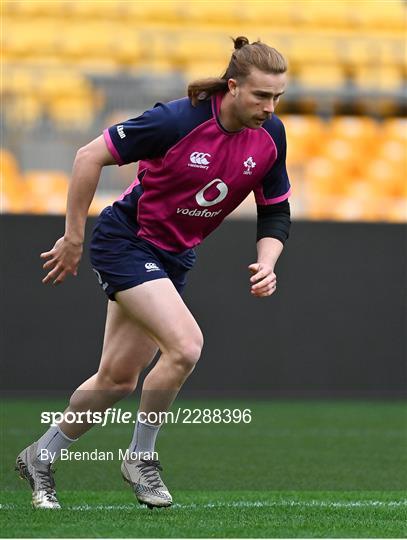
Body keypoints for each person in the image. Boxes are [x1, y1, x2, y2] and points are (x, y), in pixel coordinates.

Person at [15, 36, 291, 509]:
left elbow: (275, 211)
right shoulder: (177, 120)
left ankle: (41, 455)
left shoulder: (271, 137)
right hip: (126, 241)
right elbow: (88, 157)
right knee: (185, 345)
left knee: (117, 380)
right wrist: (74, 237)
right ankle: (140, 457)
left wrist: (267, 261)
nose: (270, 106)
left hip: (174, 257)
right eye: (261, 95)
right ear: (232, 86)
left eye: (277, 97)